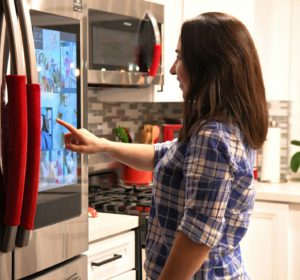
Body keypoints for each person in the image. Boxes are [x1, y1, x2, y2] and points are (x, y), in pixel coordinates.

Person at [57, 12, 269, 280]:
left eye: (180, 57)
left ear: (207, 64)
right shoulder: (224, 125)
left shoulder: (213, 137)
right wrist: (101, 144)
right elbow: (162, 154)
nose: (171, 69)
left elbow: (198, 235)